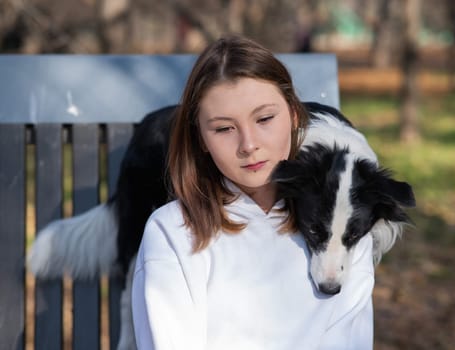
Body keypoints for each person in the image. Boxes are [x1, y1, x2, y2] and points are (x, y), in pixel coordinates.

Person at [131, 35, 375, 350]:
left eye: (264, 119)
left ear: (294, 116)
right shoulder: (173, 232)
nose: (248, 145)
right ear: (201, 138)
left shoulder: (344, 229)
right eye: (223, 128)